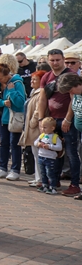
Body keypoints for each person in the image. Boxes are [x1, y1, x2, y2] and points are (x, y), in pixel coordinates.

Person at [38, 49, 79, 196]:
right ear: (48, 61)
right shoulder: (46, 77)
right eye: (52, 60)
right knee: (54, 151)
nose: (55, 62)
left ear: (63, 59)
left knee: (71, 152)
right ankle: (53, 180)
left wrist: (68, 118)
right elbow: (42, 99)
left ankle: (75, 184)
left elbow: (74, 98)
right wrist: (41, 119)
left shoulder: (71, 75)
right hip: (52, 120)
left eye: (58, 60)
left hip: (68, 120)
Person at [0, 63, 27, 180]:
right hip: (1, 117)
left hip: (13, 118)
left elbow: (21, 102)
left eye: (1, 78)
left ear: (7, 75)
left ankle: (15, 170)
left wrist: (11, 91)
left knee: (14, 144)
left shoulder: (17, 83)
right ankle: (2, 167)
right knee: (3, 143)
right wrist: (2, 103)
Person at [58, 72, 82, 200]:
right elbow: (72, 105)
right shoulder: (75, 94)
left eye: (70, 89)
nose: (70, 92)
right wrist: (67, 119)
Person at [21, 71, 46, 186]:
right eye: (32, 79)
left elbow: (37, 110)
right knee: (35, 153)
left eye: (35, 79)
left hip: (36, 127)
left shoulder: (41, 92)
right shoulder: (33, 92)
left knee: (38, 153)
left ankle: (40, 179)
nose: (32, 81)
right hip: (31, 126)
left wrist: (32, 122)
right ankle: (37, 178)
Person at [35, 118, 63, 194]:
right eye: (42, 127)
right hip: (41, 157)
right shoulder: (42, 135)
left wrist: (50, 146)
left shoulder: (55, 137)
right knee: (43, 173)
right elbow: (35, 142)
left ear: (52, 128)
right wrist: (38, 144)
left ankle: (53, 187)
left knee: (50, 173)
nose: (42, 129)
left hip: (50, 158)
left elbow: (59, 147)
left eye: (45, 127)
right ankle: (45, 185)